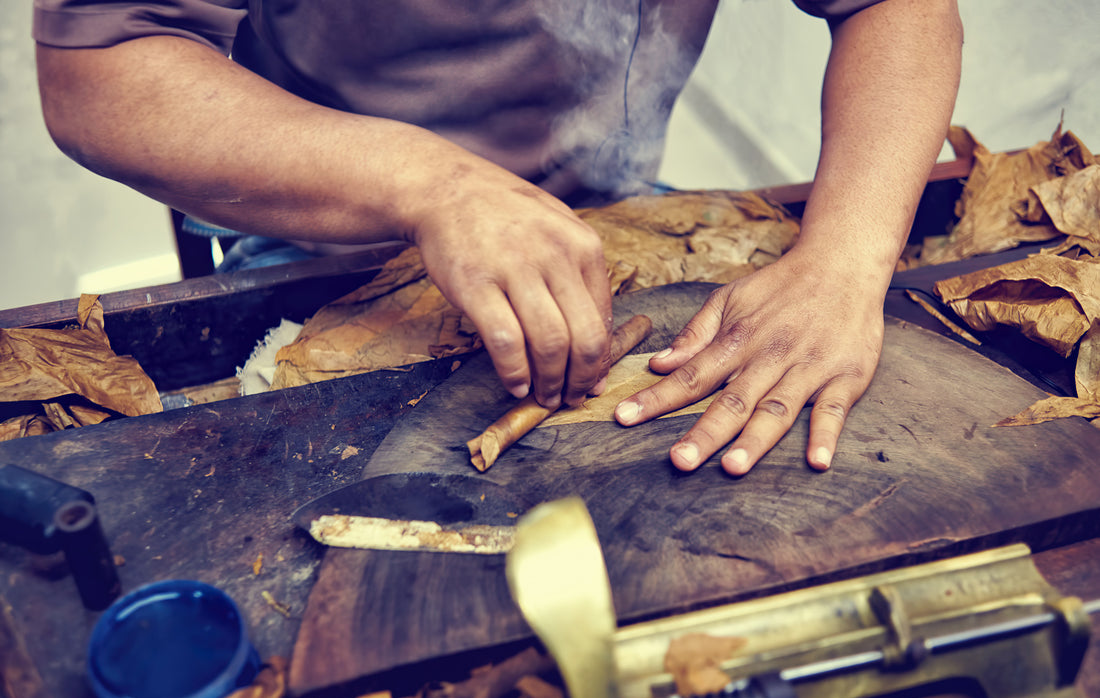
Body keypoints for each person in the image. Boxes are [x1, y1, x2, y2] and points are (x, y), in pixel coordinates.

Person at [33, 0, 962, 476]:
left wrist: (846, 258)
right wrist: (432, 184)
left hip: (621, 209)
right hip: (336, 225)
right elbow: (100, 73)